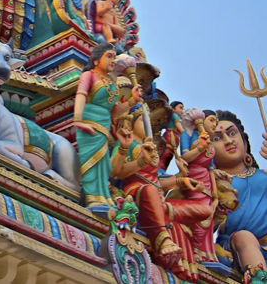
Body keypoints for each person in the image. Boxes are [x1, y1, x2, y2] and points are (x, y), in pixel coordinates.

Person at [111, 118, 211, 281]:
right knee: (150, 190)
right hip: (137, 193)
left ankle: (159, 210)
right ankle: (163, 239)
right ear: (131, 122)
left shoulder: (150, 148)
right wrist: (139, 158)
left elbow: (158, 183)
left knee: (205, 209)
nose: (149, 124)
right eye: (143, 119)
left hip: (157, 199)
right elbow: (116, 172)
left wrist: (183, 179)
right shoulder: (129, 143)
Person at [72, 43, 142, 208]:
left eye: (114, 57)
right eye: (109, 56)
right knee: (91, 160)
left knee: (103, 163)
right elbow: (81, 95)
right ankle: (91, 197)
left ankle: (103, 196)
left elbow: (114, 112)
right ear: (96, 60)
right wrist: (78, 120)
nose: (112, 60)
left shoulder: (111, 83)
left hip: (104, 126)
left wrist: (132, 100)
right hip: (89, 122)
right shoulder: (89, 75)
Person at [213, 110, 267, 280]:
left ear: (244, 140)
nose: (229, 141)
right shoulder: (214, 185)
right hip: (237, 249)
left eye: (232, 133)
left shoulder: (264, 175)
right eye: (216, 138)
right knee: (244, 237)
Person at [180, 108, 220, 262]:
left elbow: (211, 169)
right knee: (199, 213)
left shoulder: (210, 143)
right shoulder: (188, 135)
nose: (215, 125)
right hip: (193, 177)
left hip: (207, 180)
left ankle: (206, 253)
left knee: (208, 216)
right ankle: (194, 249)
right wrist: (200, 148)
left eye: (216, 122)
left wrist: (215, 194)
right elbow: (185, 157)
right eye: (211, 120)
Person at [159, 100, 185, 174]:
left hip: (170, 135)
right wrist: (186, 135)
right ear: (173, 108)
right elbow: (179, 128)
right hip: (171, 136)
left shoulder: (170, 116)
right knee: (167, 153)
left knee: (168, 154)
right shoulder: (175, 115)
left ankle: (162, 170)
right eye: (180, 108)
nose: (182, 111)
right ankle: (160, 170)